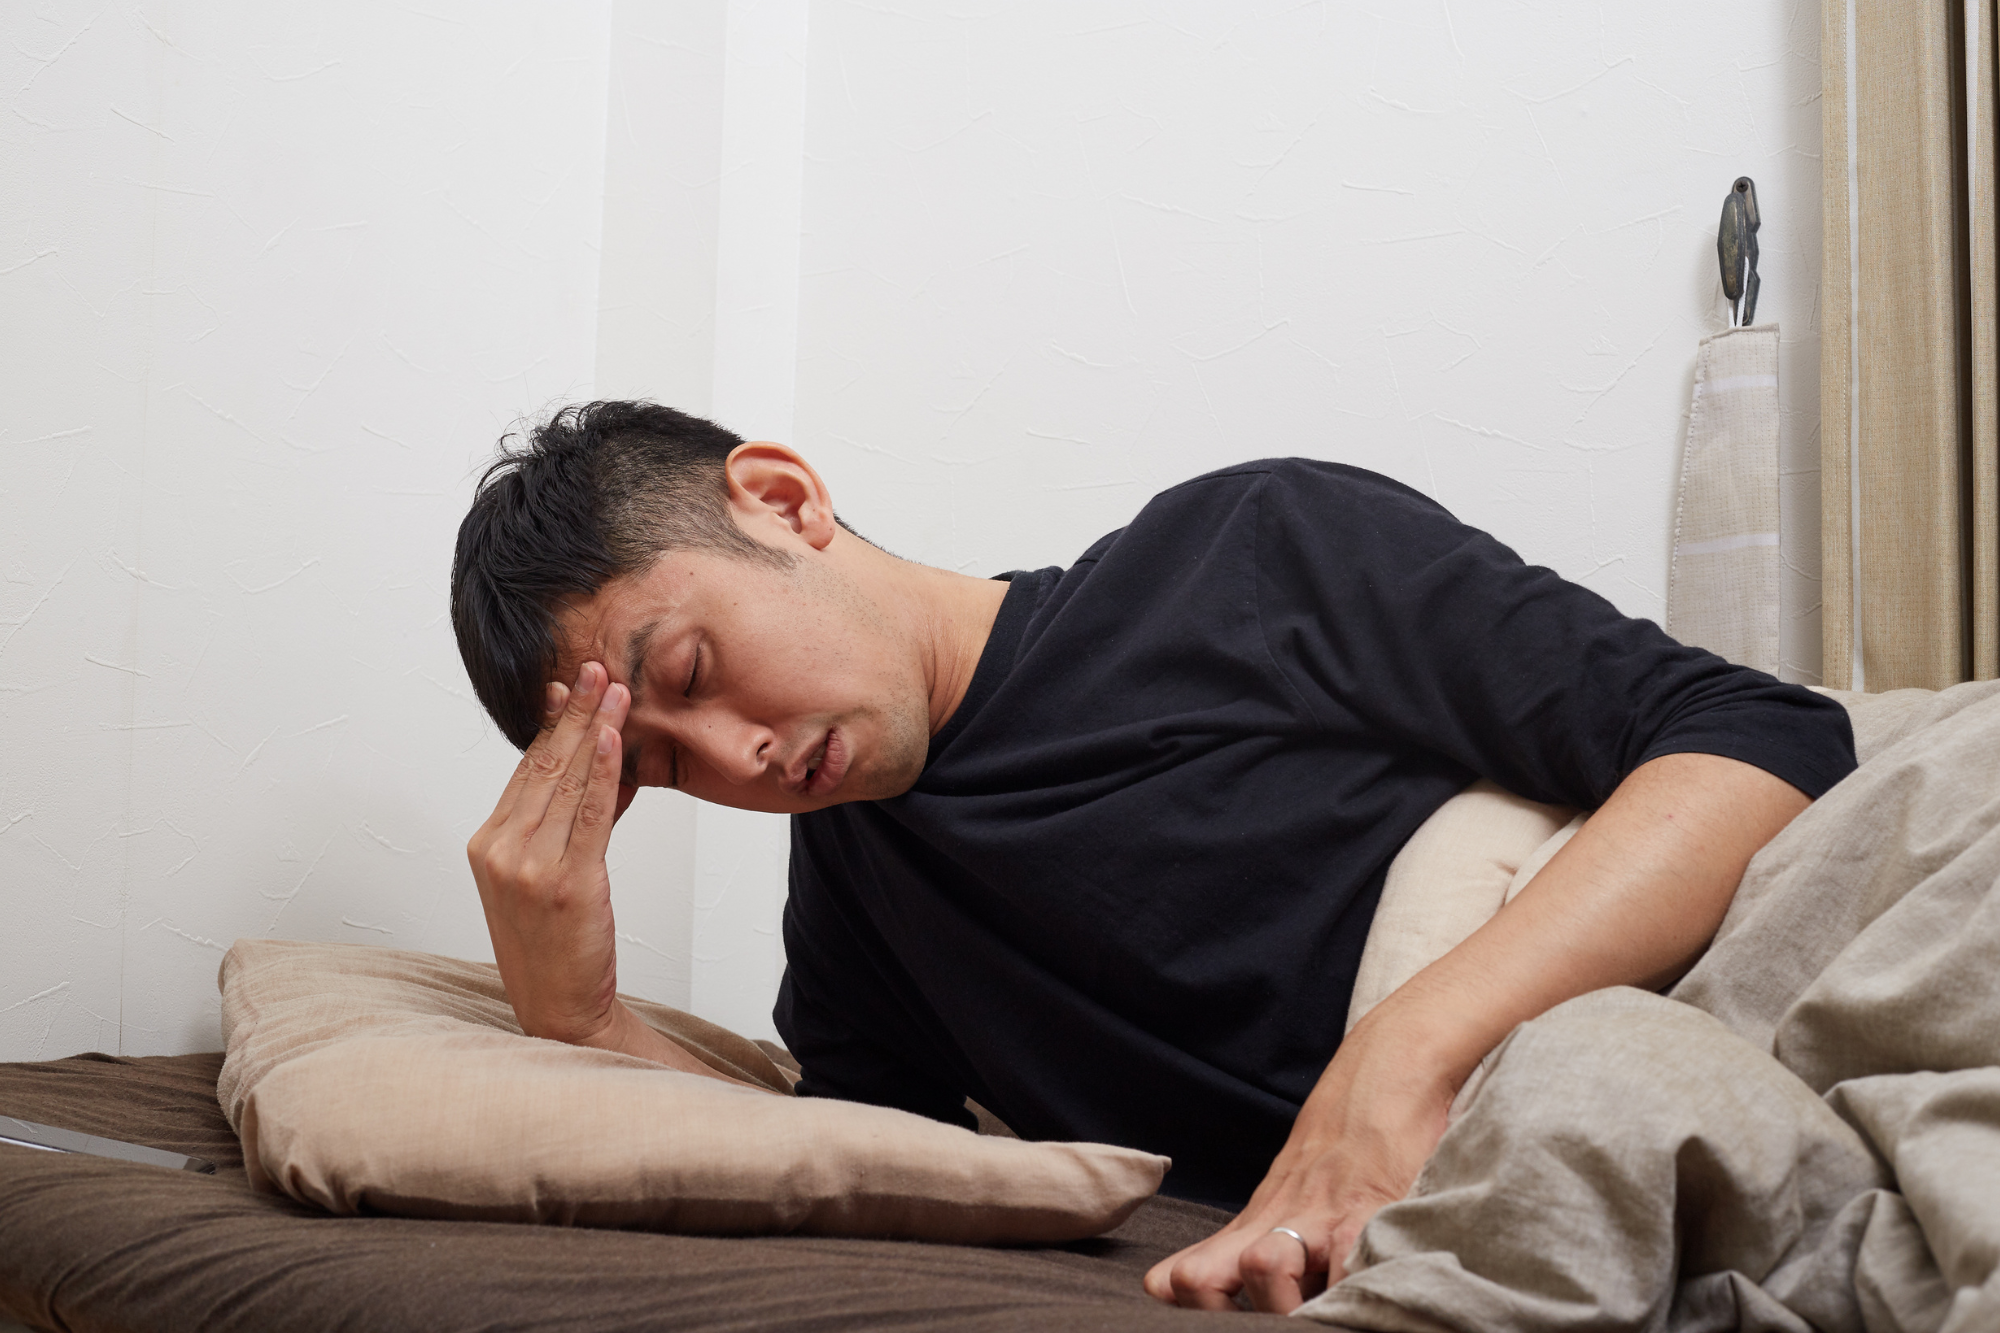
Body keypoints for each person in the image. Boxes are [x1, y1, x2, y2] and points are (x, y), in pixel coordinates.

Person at [450, 400, 1853, 1315]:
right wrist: (580, 1018)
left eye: (692, 666)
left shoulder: (1255, 550)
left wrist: (1398, 1058)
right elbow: (870, 1175)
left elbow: (1763, 733)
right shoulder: (858, 882)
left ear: (782, 498)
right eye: (667, 766)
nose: (734, 755)